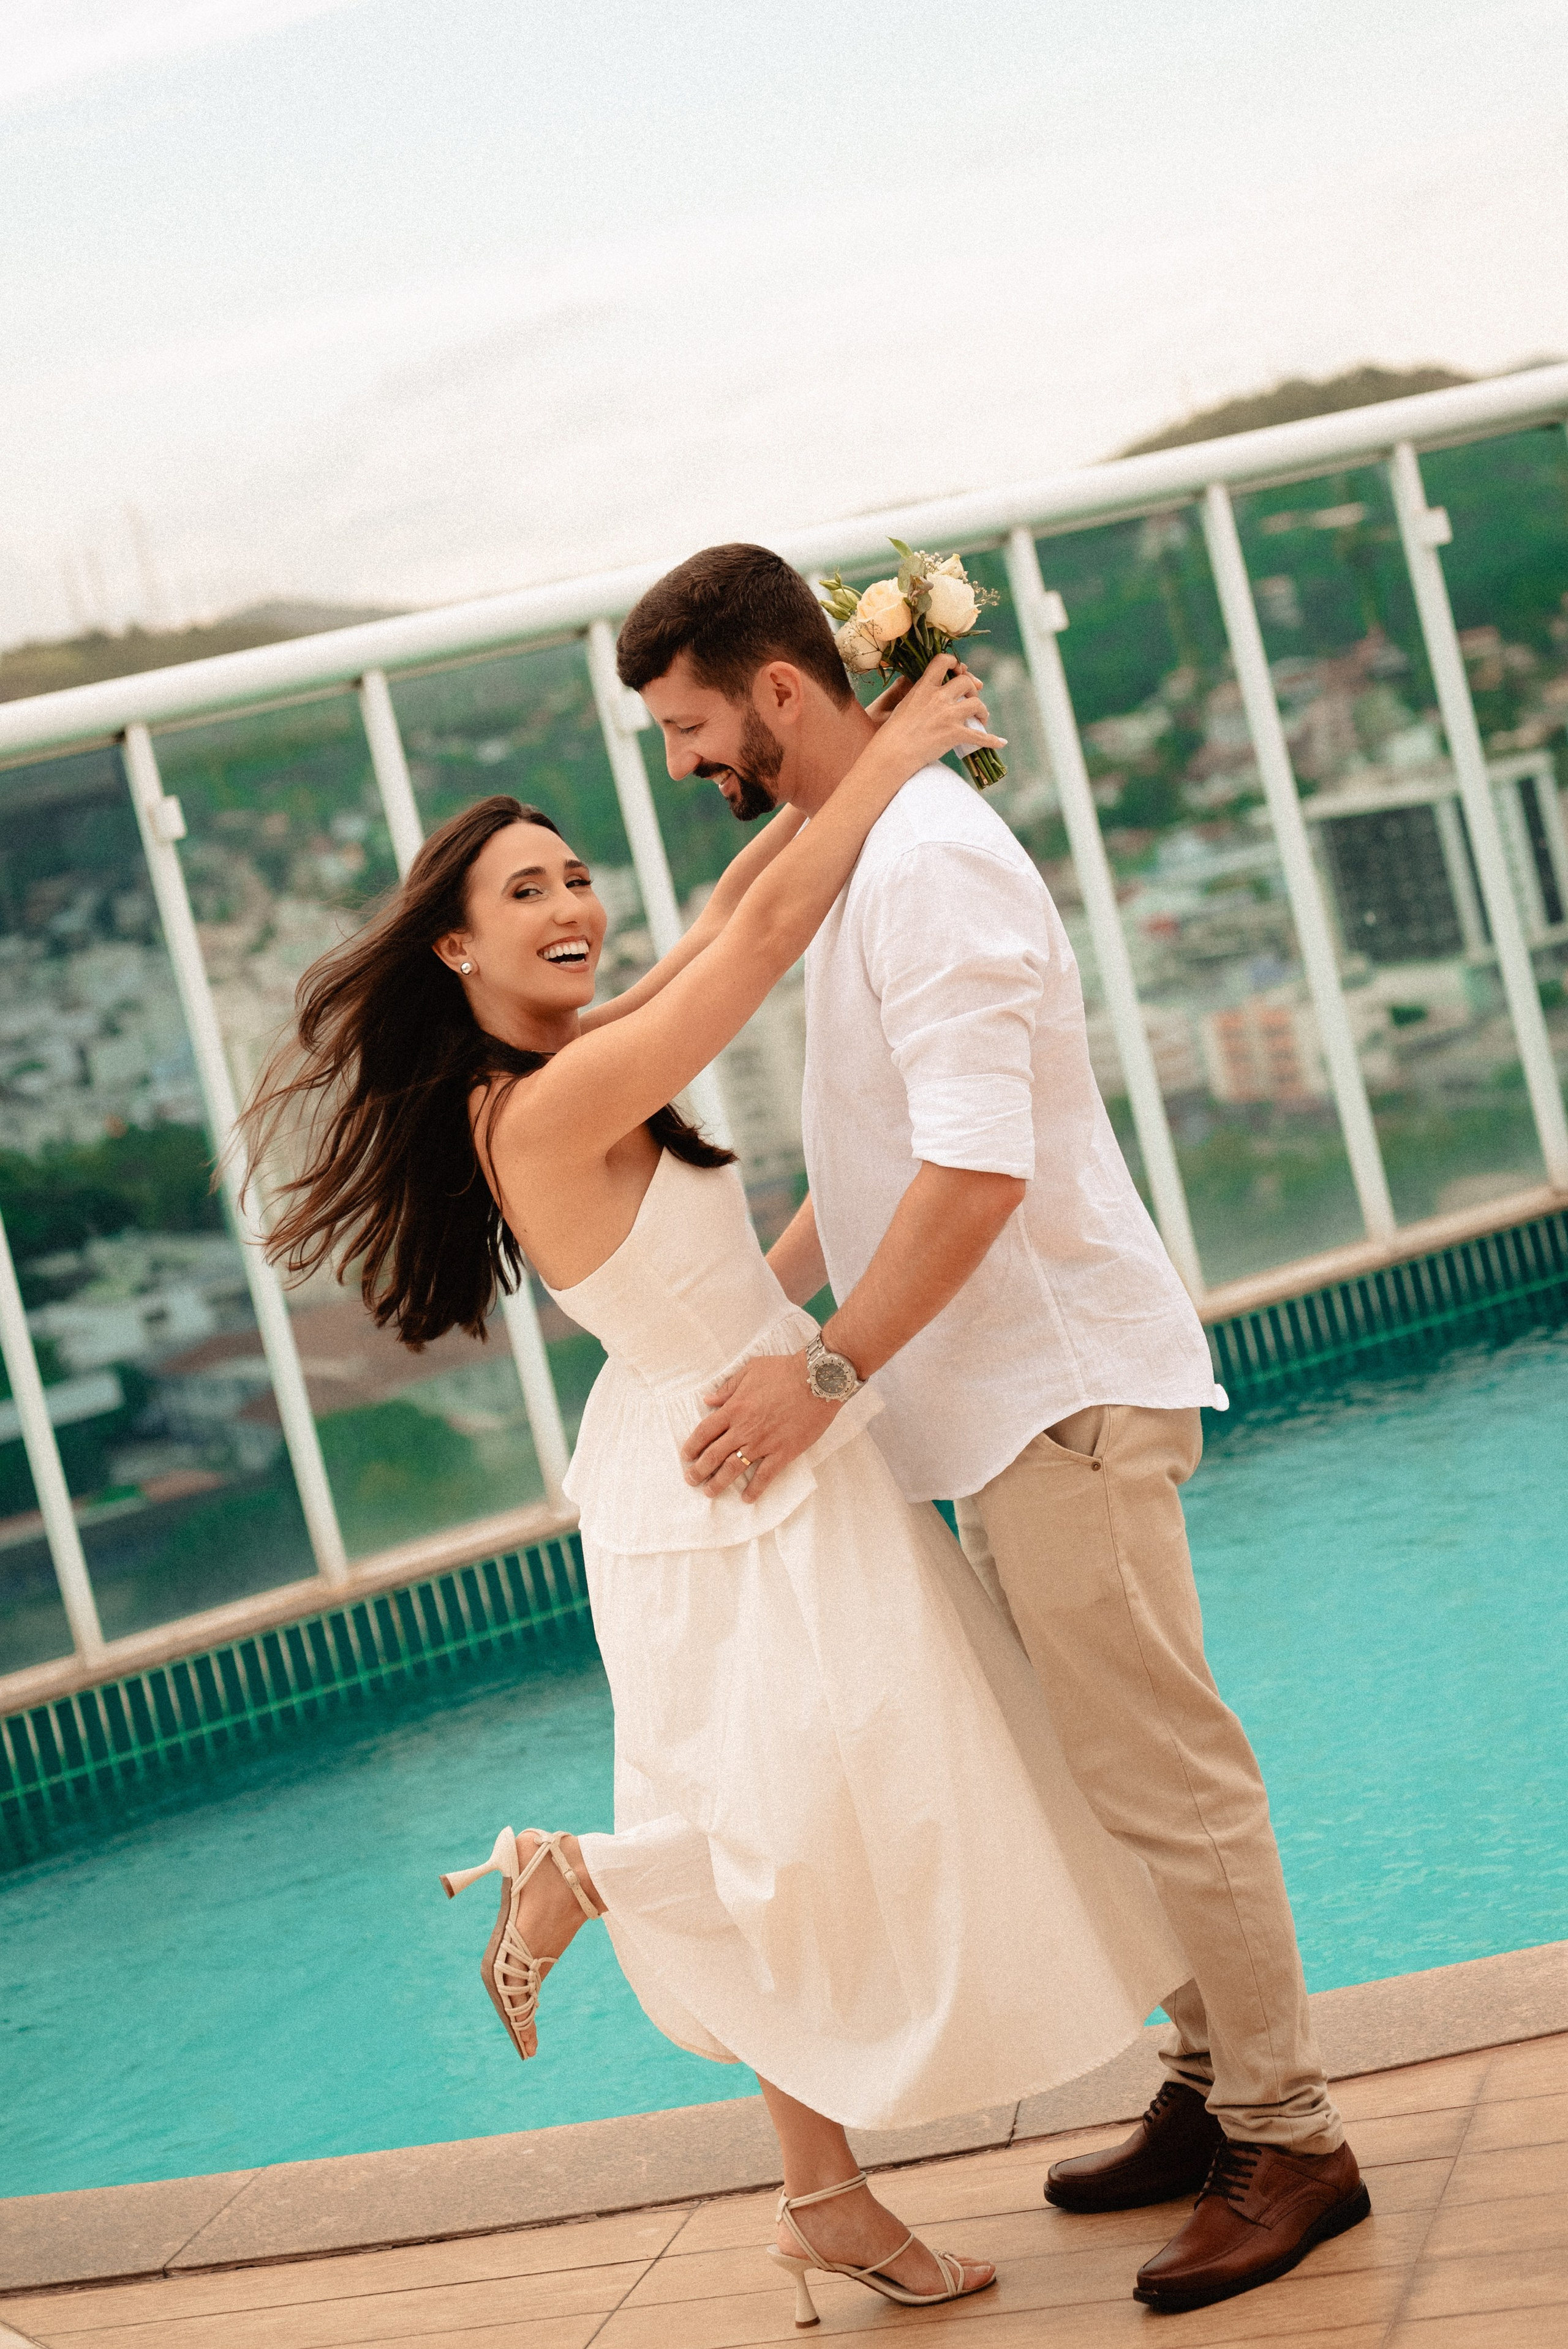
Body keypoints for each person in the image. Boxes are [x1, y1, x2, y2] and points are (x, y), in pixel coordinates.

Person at [239, 657, 1191, 2328]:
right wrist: (898, 749)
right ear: (453, 948)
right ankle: (585, 1877)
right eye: (523, 891)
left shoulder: (582, 1053)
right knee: (829, 1815)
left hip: (738, 1438)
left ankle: (824, 2195)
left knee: (818, 1800)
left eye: (574, 874)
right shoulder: (543, 1103)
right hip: (734, 1469)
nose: (571, 906)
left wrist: (846, 755)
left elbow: (729, 913)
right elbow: (754, 951)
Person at [614, 541, 1371, 2318]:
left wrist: (816, 1377)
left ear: (780, 690)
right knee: (1098, 1781)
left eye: (691, 727)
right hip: (991, 1413)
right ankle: (1213, 2085)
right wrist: (751, 1315)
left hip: (1061, 1399)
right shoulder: (863, 847)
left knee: (1168, 1779)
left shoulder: (933, 864)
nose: (684, 764)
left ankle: (1294, 2137)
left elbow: (975, 1174)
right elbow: (881, 1158)